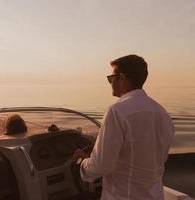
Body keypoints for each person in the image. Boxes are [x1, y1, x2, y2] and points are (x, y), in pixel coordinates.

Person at [73, 55, 175, 200]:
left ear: (121, 78)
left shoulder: (117, 111)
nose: (110, 82)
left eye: (111, 78)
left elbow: (100, 166)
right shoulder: (162, 113)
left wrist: (81, 163)